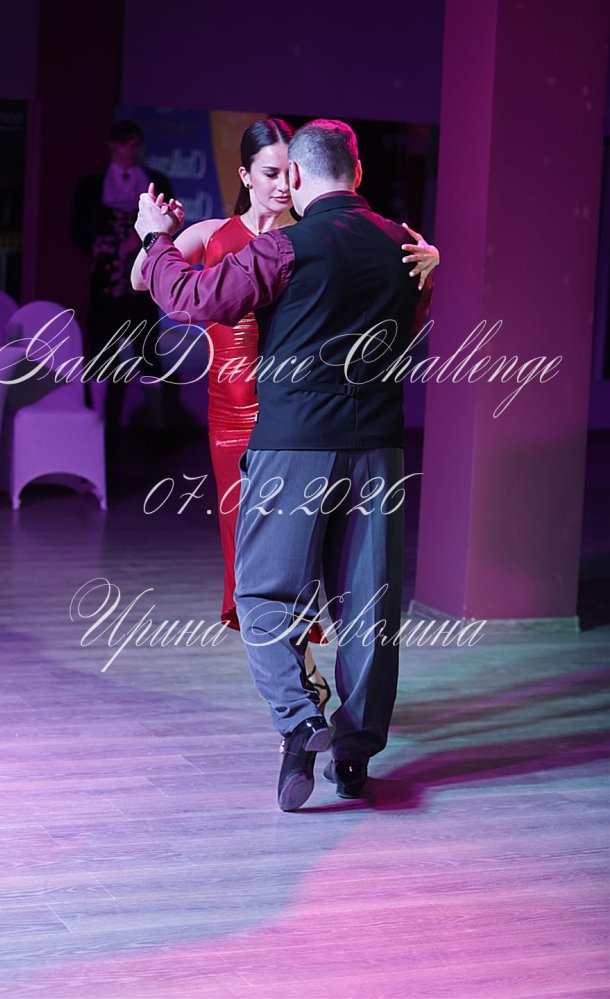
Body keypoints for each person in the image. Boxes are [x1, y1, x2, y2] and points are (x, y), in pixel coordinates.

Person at [135, 119, 436, 811]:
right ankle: (354, 757)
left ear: (296, 177)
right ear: (358, 173)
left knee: (264, 596)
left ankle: (301, 723)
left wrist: (154, 240)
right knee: (368, 606)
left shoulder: (285, 247)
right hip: (379, 447)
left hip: (295, 443)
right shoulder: (406, 245)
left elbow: (188, 299)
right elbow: (415, 320)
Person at [71, 120, 180, 451]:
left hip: (139, 281)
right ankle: (100, 428)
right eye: (123, 143)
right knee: (102, 355)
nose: (129, 150)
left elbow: (167, 224)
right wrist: (106, 245)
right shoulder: (92, 185)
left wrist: (143, 243)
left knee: (148, 354)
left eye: (134, 144)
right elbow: (78, 228)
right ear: (112, 145)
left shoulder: (155, 180)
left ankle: (159, 430)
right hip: (105, 280)